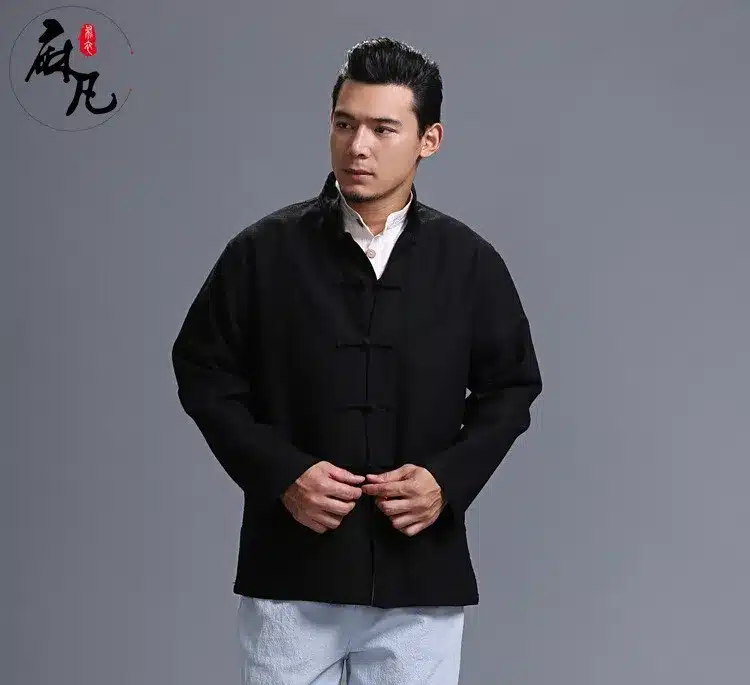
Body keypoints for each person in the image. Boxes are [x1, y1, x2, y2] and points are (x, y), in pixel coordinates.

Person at [171, 36, 542, 685]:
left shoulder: (469, 262)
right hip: (290, 573)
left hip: (420, 579)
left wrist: (446, 480)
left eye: (382, 128)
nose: (357, 146)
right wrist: (282, 473)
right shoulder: (263, 252)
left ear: (429, 139)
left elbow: (511, 388)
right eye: (344, 124)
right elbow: (202, 371)